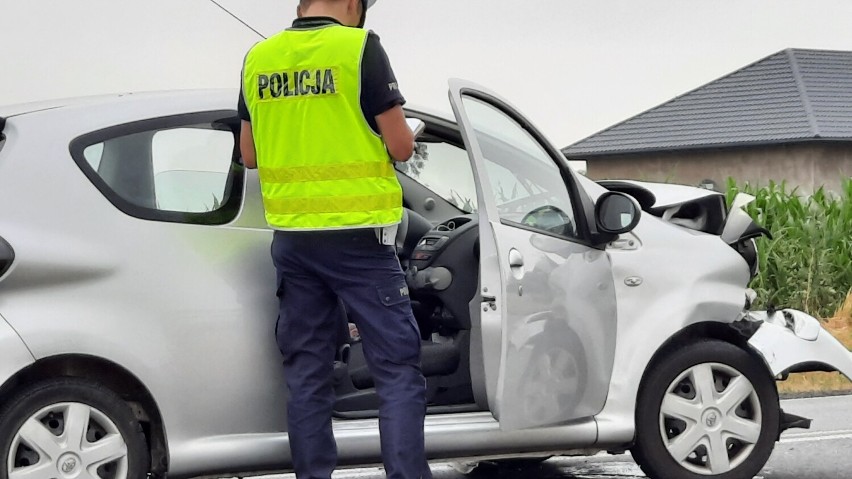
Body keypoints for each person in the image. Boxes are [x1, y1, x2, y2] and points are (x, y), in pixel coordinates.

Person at [237, 1, 431, 478]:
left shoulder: (258, 57)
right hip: (360, 239)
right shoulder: (360, 47)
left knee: (307, 374)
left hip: (295, 241)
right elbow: (402, 145)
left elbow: (248, 154)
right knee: (396, 371)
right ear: (352, 5)